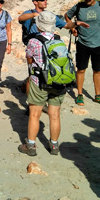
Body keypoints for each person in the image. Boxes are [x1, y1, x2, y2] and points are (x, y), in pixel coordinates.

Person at [18, 0, 88, 95]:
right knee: (32, 74)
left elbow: (65, 25)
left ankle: (42, 96)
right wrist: (34, 15)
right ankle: (30, 102)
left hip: (47, 48)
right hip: (34, 46)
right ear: (35, 2)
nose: (45, 1)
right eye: (42, 0)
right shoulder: (29, 13)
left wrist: (75, 24)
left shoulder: (49, 15)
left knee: (47, 72)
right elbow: (20, 19)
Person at [18, 11, 67, 156]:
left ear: (39, 26)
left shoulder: (34, 41)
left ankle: (31, 145)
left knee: (34, 114)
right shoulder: (59, 40)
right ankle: (54, 145)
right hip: (58, 82)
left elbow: (29, 59)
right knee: (55, 114)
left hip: (39, 81)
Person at [65, 0, 100, 106]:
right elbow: (67, 16)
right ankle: (80, 94)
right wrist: (72, 28)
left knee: (97, 70)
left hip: (99, 43)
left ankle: (97, 95)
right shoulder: (78, 6)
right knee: (81, 69)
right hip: (83, 43)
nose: (87, 0)